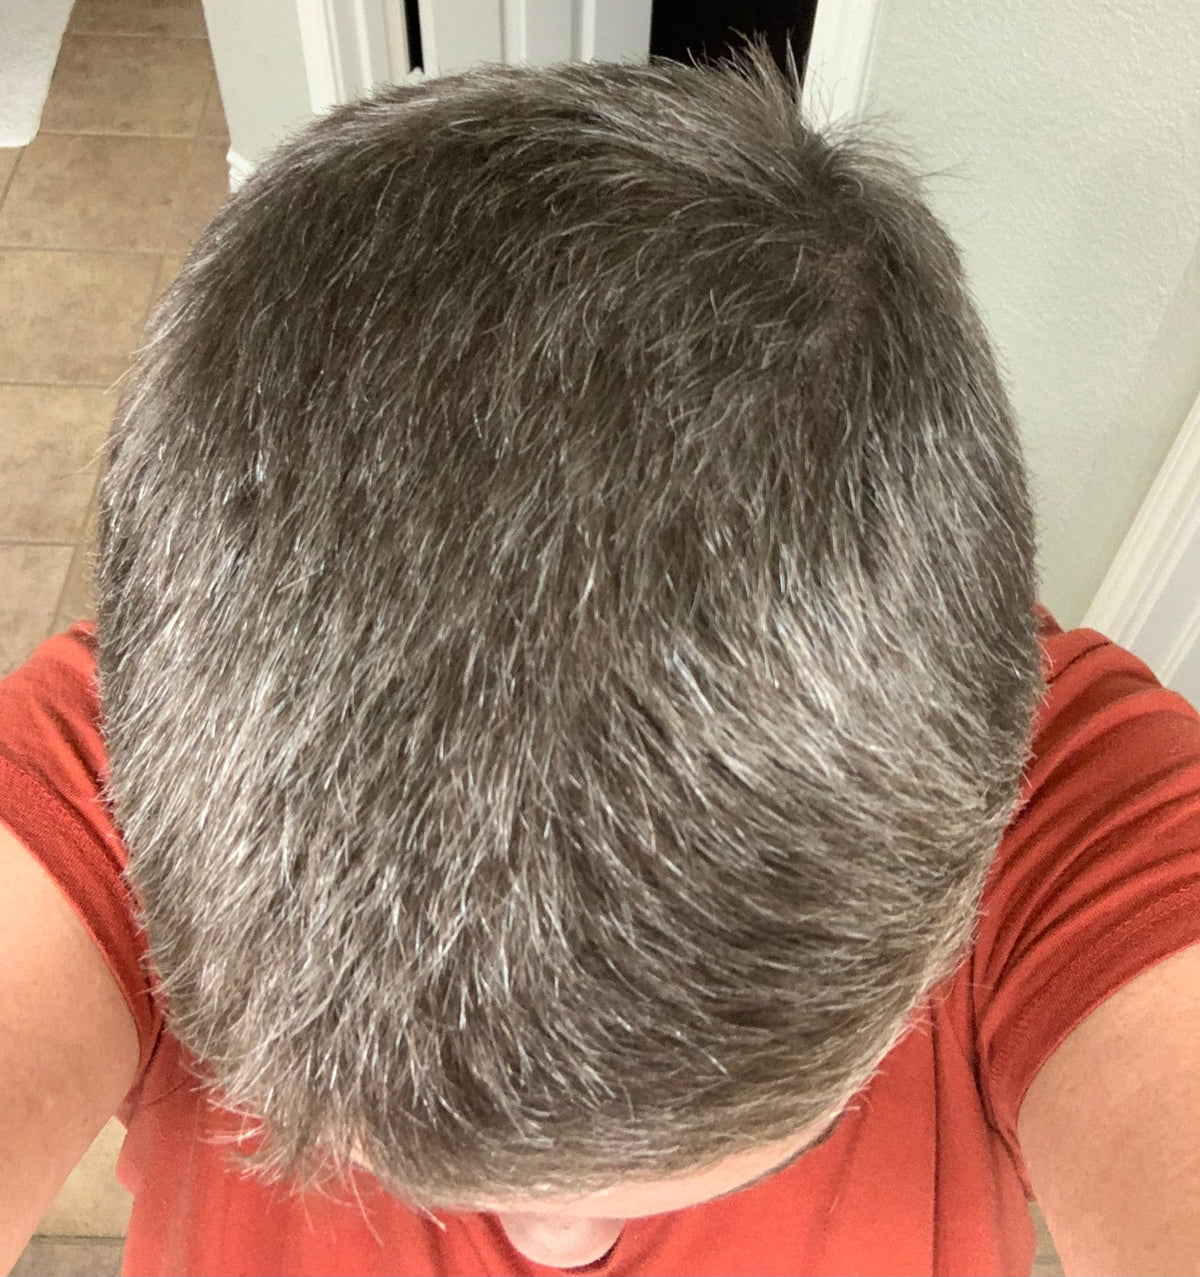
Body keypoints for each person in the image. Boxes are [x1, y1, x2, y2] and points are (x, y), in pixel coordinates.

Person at [2, 52, 1198, 1277]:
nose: (560, 1252)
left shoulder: (1079, 820)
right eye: (386, 1167)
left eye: (772, 1150)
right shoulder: (153, 761)